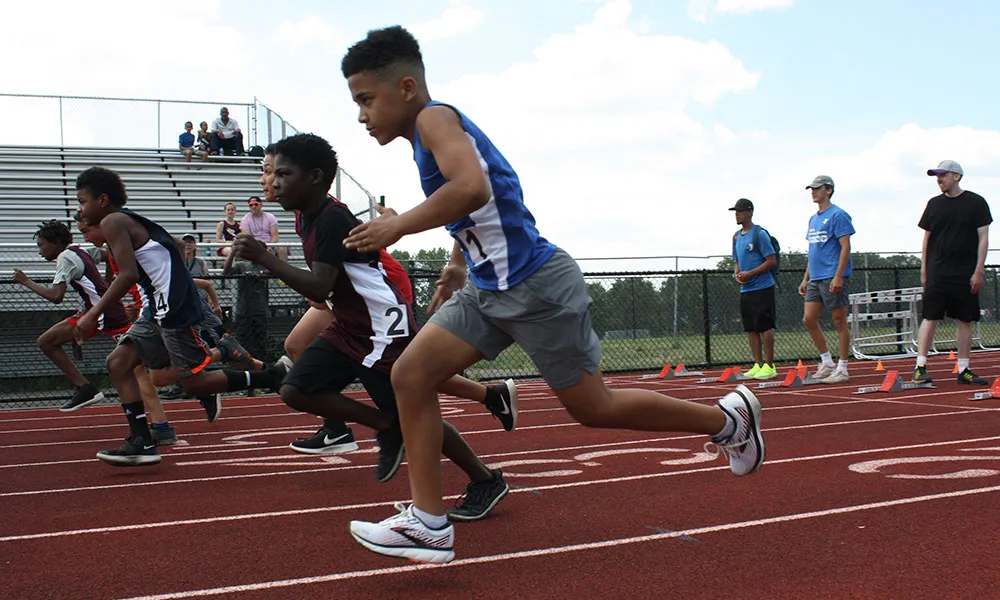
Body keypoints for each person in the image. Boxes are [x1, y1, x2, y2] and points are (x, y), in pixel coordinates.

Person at [340, 26, 764, 564]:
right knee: (410, 373)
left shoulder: (433, 118)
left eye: (365, 100)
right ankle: (429, 523)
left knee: (593, 409)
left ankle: (728, 421)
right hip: (488, 288)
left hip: (537, 286)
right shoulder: (427, 136)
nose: (361, 116)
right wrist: (455, 263)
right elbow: (480, 206)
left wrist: (399, 228)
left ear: (404, 87)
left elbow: (471, 187)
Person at [233, 133, 509, 521]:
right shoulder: (304, 213)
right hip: (352, 322)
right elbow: (327, 285)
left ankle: (483, 478)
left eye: (283, 173)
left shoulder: (330, 219)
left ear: (314, 177)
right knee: (296, 388)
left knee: (416, 412)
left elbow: (320, 284)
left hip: (381, 327)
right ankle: (386, 426)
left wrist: (264, 256)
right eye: (271, 173)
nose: (273, 182)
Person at [73, 166, 288, 466]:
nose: (80, 209)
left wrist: (92, 314)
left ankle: (273, 375)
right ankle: (141, 441)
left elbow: (127, 275)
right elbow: (173, 244)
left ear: (103, 200)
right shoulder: (130, 218)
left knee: (192, 385)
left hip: (171, 307)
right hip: (158, 307)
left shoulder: (112, 221)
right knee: (119, 363)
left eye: (83, 201)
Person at [74, 214, 177, 444]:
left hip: (153, 308)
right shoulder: (113, 247)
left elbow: (131, 276)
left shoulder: (122, 239)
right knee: (143, 371)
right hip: (145, 307)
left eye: (86, 231)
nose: (86, 238)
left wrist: (95, 312)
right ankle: (159, 425)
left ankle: (215, 361)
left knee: (132, 367)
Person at [13, 220, 131, 412]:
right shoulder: (79, 251)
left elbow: (56, 296)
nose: (39, 251)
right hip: (99, 311)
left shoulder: (65, 258)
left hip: (103, 314)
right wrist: (107, 283)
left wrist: (26, 281)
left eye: (41, 245)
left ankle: (85, 388)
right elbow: (110, 254)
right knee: (47, 341)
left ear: (56, 242)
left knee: (47, 342)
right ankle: (85, 388)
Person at [914, 160, 992, 385]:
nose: (939, 180)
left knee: (965, 319)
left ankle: (964, 369)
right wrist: (924, 270)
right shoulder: (934, 204)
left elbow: (983, 238)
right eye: (937, 176)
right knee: (930, 317)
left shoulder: (976, 203)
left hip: (965, 272)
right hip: (938, 271)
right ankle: (920, 367)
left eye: (943, 175)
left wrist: (979, 270)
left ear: (956, 177)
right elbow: (926, 239)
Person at [800, 175, 854, 384]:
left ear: (828, 190)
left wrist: (839, 275)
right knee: (809, 319)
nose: (813, 192)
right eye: (811, 189)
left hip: (832, 274)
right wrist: (806, 278)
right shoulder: (813, 219)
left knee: (839, 320)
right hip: (816, 276)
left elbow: (845, 247)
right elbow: (813, 249)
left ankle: (842, 367)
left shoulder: (838, 215)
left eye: (817, 188)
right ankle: (827, 361)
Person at [730, 198, 777, 380]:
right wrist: (738, 274)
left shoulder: (759, 234)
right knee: (751, 328)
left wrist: (751, 273)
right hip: (746, 290)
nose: (737, 214)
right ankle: (757, 364)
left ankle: (770, 365)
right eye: (736, 211)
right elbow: (736, 260)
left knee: (765, 326)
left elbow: (770, 260)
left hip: (762, 287)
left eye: (740, 211)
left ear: (750, 212)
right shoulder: (736, 236)